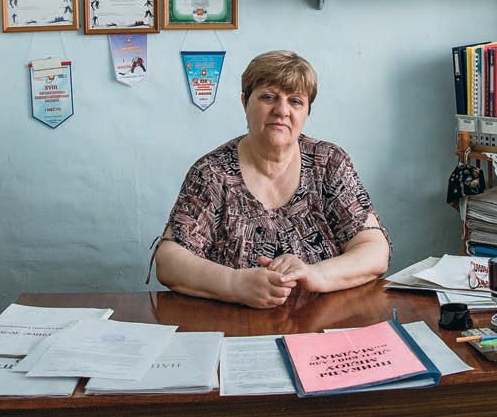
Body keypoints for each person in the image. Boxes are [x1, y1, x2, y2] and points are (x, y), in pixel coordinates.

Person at [154, 50, 389, 309]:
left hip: (322, 321)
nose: (282, 111)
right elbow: (169, 260)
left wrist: (313, 274)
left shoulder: (329, 163)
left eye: (295, 101)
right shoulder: (212, 173)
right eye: (268, 97)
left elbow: (374, 249)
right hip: (232, 321)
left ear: (307, 111)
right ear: (245, 102)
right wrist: (234, 284)